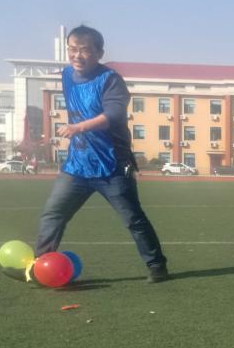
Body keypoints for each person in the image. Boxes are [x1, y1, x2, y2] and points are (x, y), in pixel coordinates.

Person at [34, 25, 169, 282]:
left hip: (112, 166)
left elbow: (114, 115)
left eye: (84, 50)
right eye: (72, 49)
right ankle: (40, 267)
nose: (77, 55)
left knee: (133, 219)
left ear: (99, 53)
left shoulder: (110, 80)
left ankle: (157, 266)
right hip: (77, 165)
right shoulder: (67, 75)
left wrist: (78, 127)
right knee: (53, 214)